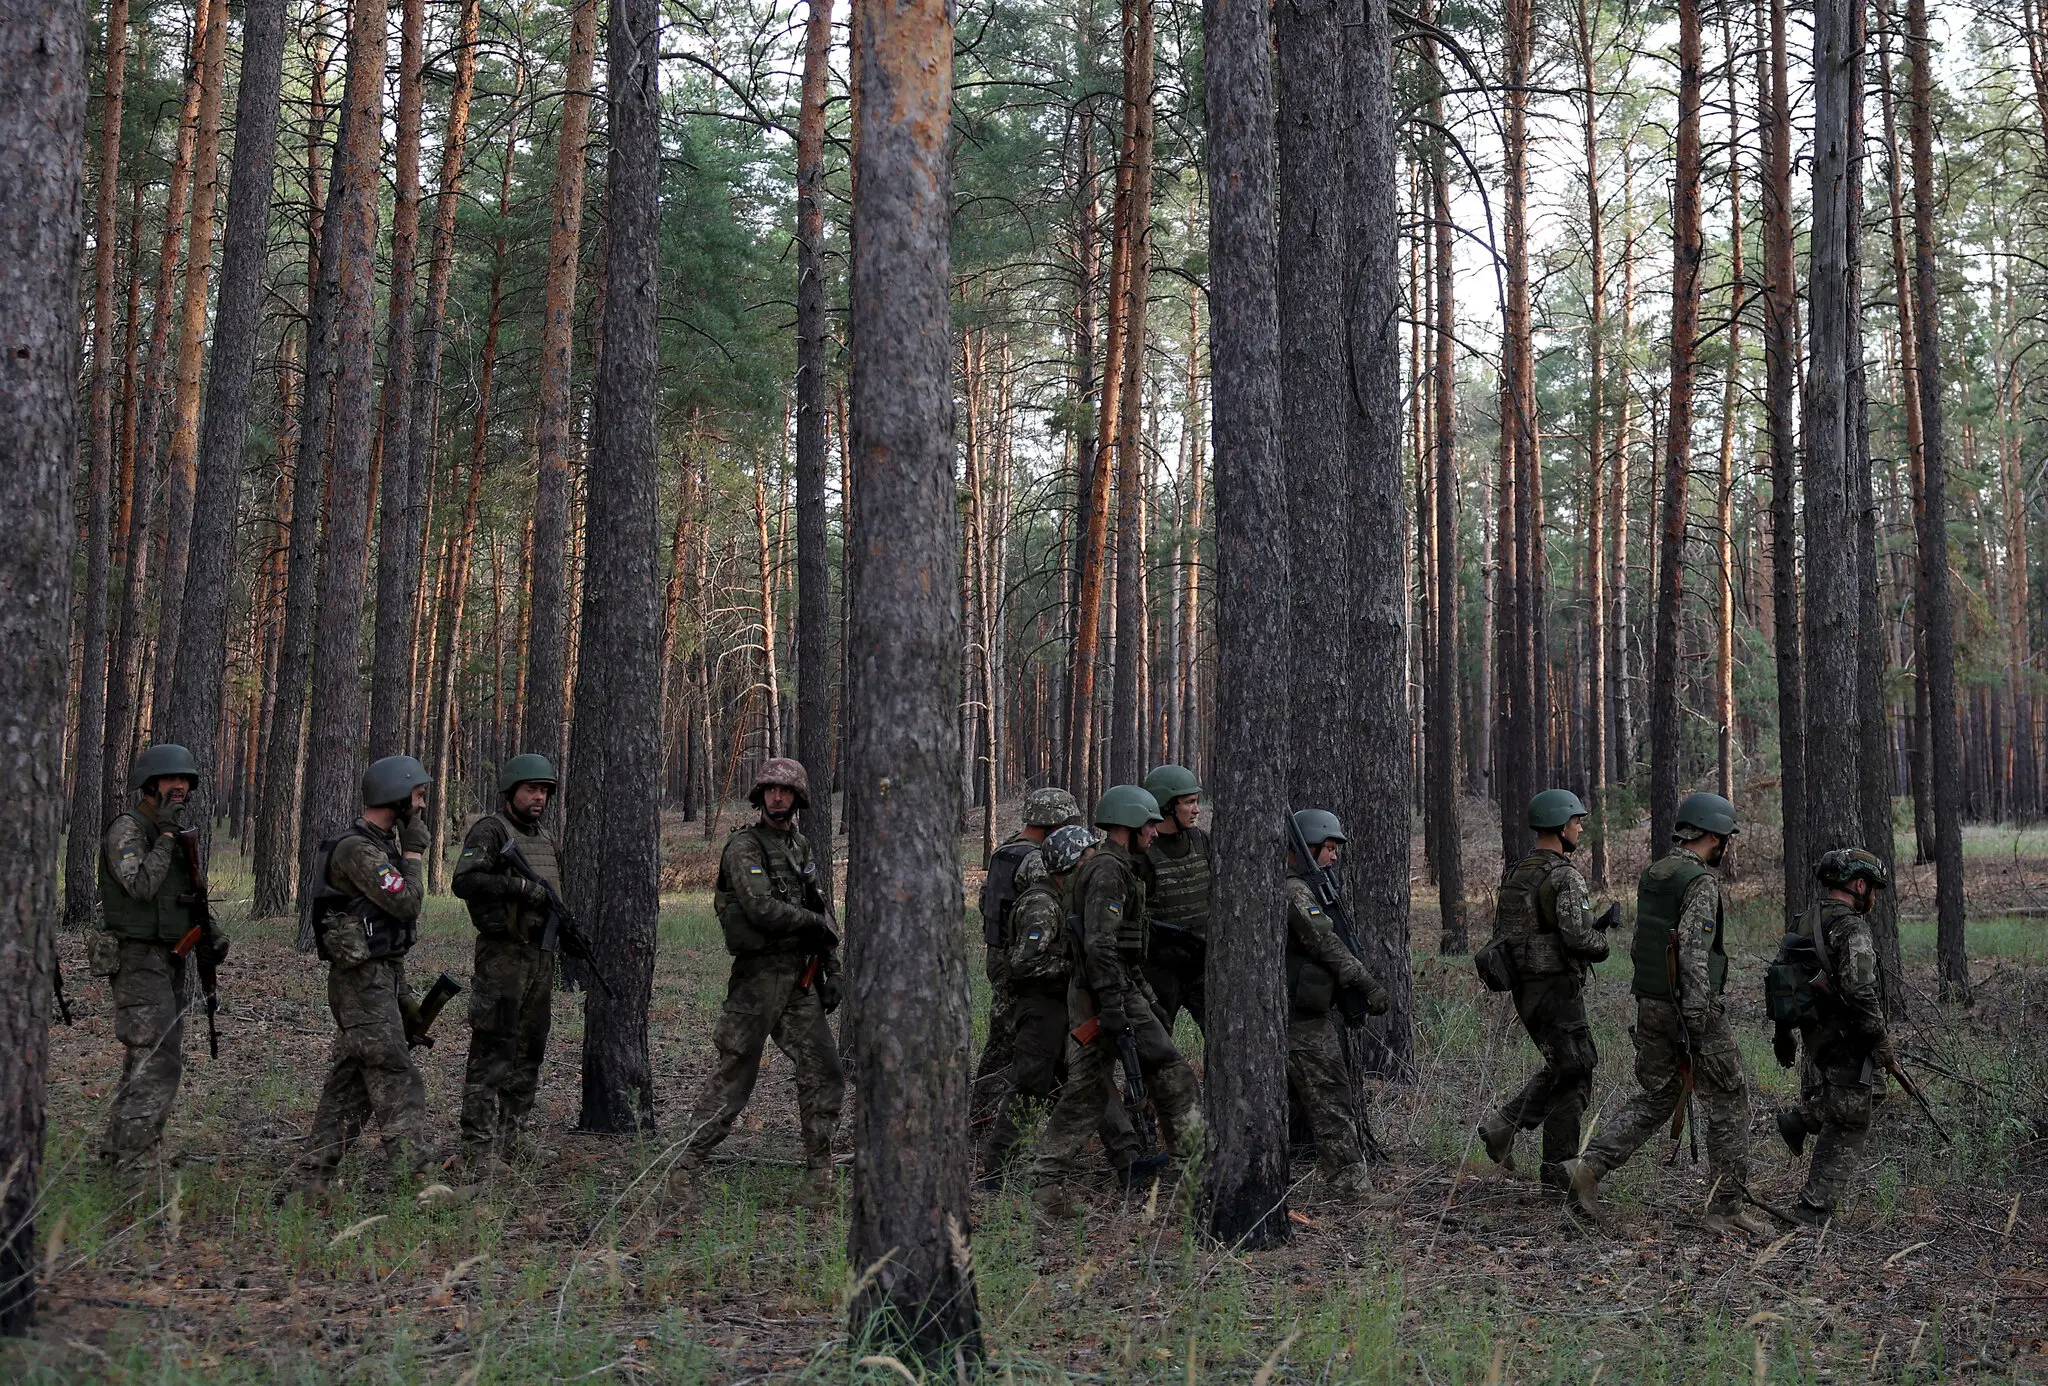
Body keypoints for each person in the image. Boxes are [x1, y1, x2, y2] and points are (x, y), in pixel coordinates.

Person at [1563, 792, 1766, 1235]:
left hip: (1651, 1001)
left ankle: (1589, 1166)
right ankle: (1725, 1207)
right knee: (1730, 1099)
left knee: (1659, 1095)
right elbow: (1692, 953)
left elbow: (1645, 944)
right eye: (1726, 837)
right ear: (1713, 836)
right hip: (1689, 1007)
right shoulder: (1700, 882)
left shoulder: (1656, 872)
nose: (1726, 845)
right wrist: (1698, 1019)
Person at [668, 758, 845, 1208]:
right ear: (760, 795)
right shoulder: (744, 847)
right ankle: (682, 1175)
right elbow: (761, 908)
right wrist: (812, 925)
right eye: (770, 790)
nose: (777, 797)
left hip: (798, 982)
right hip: (756, 980)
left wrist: (832, 968)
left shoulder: (801, 847)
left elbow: (822, 914)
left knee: (824, 1069)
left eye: (785, 791)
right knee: (734, 1079)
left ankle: (820, 1178)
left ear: (798, 798)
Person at [1032, 785, 1202, 1218]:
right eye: (1148, 824)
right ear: (1128, 826)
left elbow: (1121, 949)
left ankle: (1046, 1186)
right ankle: (1192, 1181)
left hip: (1107, 990)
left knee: (1087, 1091)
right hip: (1105, 991)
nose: (1154, 832)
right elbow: (1102, 946)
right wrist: (1114, 1005)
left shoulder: (1115, 867)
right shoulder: (1109, 871)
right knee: (1175, 1075)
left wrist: (1143, 997)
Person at [291, 754, 435, 1196]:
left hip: (379, 976)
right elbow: (407, 903)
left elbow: (391, 932)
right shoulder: (357, 849)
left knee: (352, 1078)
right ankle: (421, 1183)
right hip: (360, 982)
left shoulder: (377, 845)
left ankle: (314, 1177)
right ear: (396, 795)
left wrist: (404, 992)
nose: (423, 805)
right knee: (394, 1072)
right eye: (418, 795)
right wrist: (412, 856)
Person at [91, 744, 229, 1171]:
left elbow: (189, 896)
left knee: (151, 1056)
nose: (181, 788)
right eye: (172, 780)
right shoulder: (129, 831)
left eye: (186, 781)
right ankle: (135, 1164)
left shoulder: (176, 834)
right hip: (136, 958)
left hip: (170, 957)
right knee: (157, 1059)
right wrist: (167, 837)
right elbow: (141, 888)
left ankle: (121, 1150)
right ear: (150, 785)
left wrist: (214, 935)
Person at [1477, 790, 1610, 1190]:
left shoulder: (1519, 872)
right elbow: (1577, 937)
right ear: (1559, 826)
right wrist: (1602, 943)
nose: (1580, 828)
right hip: (1555, 988)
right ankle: (1546, 1162)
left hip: (1527, 988)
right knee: (1576, 1067)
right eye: (1576, 822)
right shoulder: (1563, 875)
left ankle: (1548, 1165)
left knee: (1569, 1068)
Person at [451, 753, 566, 1176]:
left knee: (530, 1048)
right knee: (493, 1048)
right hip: (502, 956)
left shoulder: (546, 839)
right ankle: (478, 1149)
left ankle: (513, 1136)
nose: (538, 797)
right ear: (511, 790)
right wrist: (517, 886)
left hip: (539, 955)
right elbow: (463, 881)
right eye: (531, 789)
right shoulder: (490, 831)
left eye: (544, 791)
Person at [1774, 848, 1893, 1225]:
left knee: (1867, 1095)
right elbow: (1860, 991)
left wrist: (1784, 1033)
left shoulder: (1804, 920)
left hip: (1817, 1033)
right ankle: (1813, 1207)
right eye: (1872, 887)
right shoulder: (1850, 926)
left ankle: (1811, 1196)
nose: (1873, 895)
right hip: (1847, 1032)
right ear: (1859, 885)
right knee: (1853, 1113)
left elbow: (1779, 982)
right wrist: (1879, 1038)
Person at [1284, 810, 1390, 1198]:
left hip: (1302, 1008)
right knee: (1330, 1094)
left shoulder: (1306, 888)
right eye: (1328, 848)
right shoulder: (1294, 890)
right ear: (1306, 848)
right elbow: (1324, 943)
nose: (1333, 856)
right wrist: (1367, 984)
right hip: (1299, 1016)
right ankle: (1350, 1186)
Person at [984, 822, 1098, 1171]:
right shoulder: (1042, 905)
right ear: (1071, 865)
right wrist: (1072, 967)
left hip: (1062, 1007)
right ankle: (997, 1168)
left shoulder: (1066, 899)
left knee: (1086, 1080)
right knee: (1030, 1084)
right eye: (1087, 860)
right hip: (1039, 1010)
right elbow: (1022, 963)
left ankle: (1122, 1159)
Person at [971, 787, 1083, 1128]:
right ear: (1055, 823)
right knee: (1009, 1039)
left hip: (999, 952)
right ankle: (984, 1117)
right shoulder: (1037, 860)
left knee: (1011, 1033)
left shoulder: (1004, 849)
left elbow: (985, 901)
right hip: (1025, 961)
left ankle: (993, 1112)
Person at [1140, 764, 1211, 1036]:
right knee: (1155, 1046)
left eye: (1196, 801)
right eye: (1189, 802)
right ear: (1167, 806)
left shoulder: (1201, 841)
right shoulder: (1144, 851)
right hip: (1159, 967)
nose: (1196, 809)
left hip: (1201, 963)